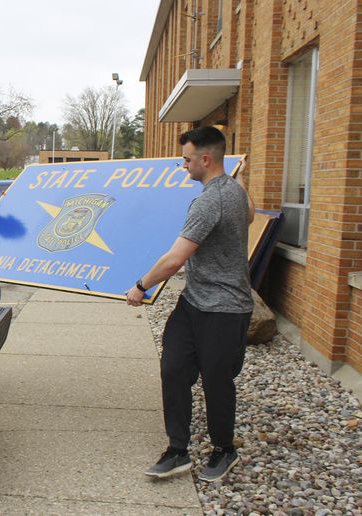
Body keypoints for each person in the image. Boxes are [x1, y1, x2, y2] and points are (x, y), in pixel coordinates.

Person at [126, 126, 255, 483]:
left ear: (205, 159)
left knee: (217, 381)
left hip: (225, 308)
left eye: (186, 158)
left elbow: (174, 260)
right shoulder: (233, 190)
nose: (183, 165)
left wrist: (140, 286)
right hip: (194, 302)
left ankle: (224, 449)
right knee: (174, 369)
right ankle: (177, 449)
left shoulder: (210, 200)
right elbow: (248, 215)